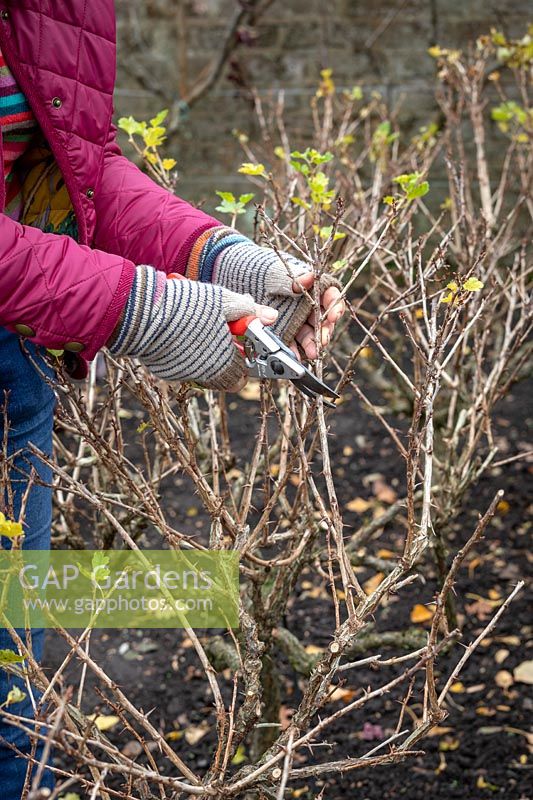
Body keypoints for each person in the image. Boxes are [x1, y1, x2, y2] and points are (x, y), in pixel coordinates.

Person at [0, 1, 344, 793]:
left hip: (10, 363)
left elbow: (73, 160)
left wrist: (224, 259)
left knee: (10, 688)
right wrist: (140, 309)